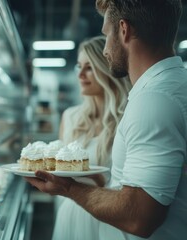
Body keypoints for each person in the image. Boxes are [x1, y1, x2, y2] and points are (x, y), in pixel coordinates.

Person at [26, 1, 187, 239]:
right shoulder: (173, 87)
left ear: (124, 30)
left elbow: (138, 216)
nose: (105, 49)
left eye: (105, 34)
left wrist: (68, 187)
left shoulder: (153, 101)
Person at [54, 35, 131, 239]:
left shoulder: (127, 118)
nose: (80, 74)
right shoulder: (70, 117)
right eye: (79, 66)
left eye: (89, 67)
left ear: (106, 69)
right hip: (71, 213)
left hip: (109, 219)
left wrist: (100, 181)